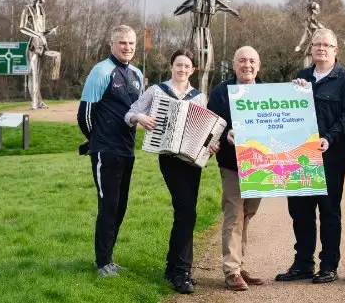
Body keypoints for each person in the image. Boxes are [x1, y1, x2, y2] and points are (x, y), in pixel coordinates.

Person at [125, 49, 218, 294]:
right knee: (187, 212)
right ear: (171, 66)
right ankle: (181, 272)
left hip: (191, 160)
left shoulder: (199, 97)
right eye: (179, 65)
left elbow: (206, 132)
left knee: (186, 213)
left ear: (193, 70)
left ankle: (172, 267)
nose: (182, 69)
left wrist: (211, 145)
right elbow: (129, 113)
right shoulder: (157, 91)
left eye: (187, 66)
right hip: (168, 158)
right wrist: (140, 118)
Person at [276, 28, 345, 284]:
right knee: (300, 211)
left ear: (335, 50)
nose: (321, 48)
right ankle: (303, 264)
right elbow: (289, 113)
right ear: (311, 49)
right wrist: (293, 92)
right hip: (300, 157)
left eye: (326, 45)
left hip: (331, 157)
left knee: (329, 211)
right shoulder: (301, 77)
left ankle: (329, 266)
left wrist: (329, 138)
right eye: (317, 44)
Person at [77, 25, 143, 278]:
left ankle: (109, 259)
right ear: (112, 44)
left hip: (127, 150)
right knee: (108, 205)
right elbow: (85, 114)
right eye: (122, 42)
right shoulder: (101, 71)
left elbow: (137, 110)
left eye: (131, 43)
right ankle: (102, 262)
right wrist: (95, 141)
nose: (127, 47)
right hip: (106, 150)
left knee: (120, 206)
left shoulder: (137, 74)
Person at [207, 46, 265, 291]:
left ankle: (238, 265)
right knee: (234, 213)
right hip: (231, 164)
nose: (247, 65)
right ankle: (231, 270)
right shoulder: (221, 92)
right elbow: (210, 124)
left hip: (261, 166)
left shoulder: (268, 92)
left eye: (251, 61)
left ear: (258, 65)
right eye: (242, 60)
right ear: (233, 64)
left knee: (247, 213)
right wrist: (225, 133)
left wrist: (300, 88)